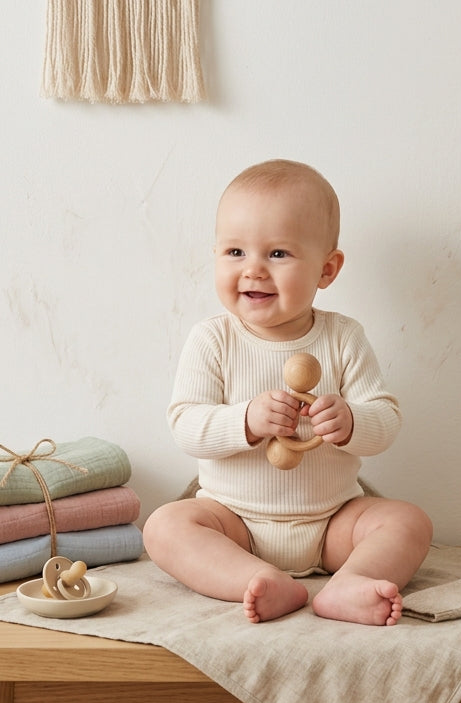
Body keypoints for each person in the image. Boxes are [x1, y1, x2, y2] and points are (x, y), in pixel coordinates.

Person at [143, 159, 433, 626]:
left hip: (332, 523)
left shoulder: (343, 337)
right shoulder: (213, 339)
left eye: (277, 254)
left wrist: (353, 421)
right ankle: (257, 579)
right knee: (165, 527)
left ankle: (349, 584)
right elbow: (186, 426)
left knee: (409, 521)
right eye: (235, 252)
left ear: (327, 269)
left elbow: (386, 419)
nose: (253, 270)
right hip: (233, 522)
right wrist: (246, 420)